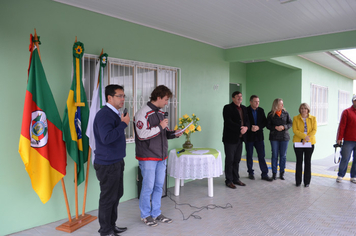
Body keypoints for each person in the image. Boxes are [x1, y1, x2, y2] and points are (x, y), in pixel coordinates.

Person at [134, 85, 183, 227]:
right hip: (148, 156)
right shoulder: (142, 113)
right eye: (166, 99)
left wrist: (174, 133)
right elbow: (142, 135)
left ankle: (156, 213)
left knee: (158, 186)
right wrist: (160, 127)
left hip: (161, 156)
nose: (167, 102)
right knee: (148, 187)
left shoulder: (160, 113)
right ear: (159, 97)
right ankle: (145, 215)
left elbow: (164, 133)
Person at [93, 84, 130, 236]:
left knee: (116, 195)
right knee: (108, 198)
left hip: (116, 161)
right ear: (110, 97)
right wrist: (123, 124)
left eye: (123, 96)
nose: (123, 99)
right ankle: (105, 230)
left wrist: (121, 123)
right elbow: (106, 138)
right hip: (107, 164)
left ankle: (111, 225)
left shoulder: (115, 114)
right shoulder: (104, 114)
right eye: (119, 96)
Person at [222, 91, 249, 189]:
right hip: (230, 138)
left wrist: (246, 128)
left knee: (237, 160)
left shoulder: (244, 108)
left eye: (241, 96)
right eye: (238, 96)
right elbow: (228, 122)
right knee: (230, 160)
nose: (240, 98)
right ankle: (229, 180)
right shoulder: (227, 108)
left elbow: (247, 121)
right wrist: (240, 128)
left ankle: (236, 179)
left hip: (240, 138)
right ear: (233, 98)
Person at [245, 95, 273, 181]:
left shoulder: (261, 110)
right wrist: (250, 128)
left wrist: (258, 127)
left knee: (261, 155)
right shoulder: (245, 110)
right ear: (250, 102)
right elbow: (245, 121)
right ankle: (250, 172)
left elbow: (264, 122)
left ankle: (264, 174)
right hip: (249, 136)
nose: (257, 103)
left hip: (259, 137)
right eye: (255, 101)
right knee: (249, 155)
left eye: (258, 101)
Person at [266, 98, 292, 180]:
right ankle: (274, 173)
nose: (282, 105)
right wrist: (275, 127)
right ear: (276, 105)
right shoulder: (270, 114)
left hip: (284, 137)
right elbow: (267, 125)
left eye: (282, 104)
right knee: (274, 155)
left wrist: (284, 127)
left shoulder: (286, 113)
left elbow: (290, 123)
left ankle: (282, 173)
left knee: (283, 156)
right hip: (274, 137)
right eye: (281, 104)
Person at [292, 103, 317, 187]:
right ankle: (298, 182)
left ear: (308, 110)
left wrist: (306, 138)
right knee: (299, 162)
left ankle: (307, 182)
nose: (303, 110)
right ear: (300, 109)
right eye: (302, 108)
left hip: (309, 143)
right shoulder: (296, 118)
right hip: (298, 143)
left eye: (305, 108)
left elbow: (314, 130)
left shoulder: (313, 118)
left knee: (307, 162)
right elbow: (295, 130)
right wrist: (304, 137)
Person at [336, 95, 356, 183]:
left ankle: (353, 176)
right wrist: (339, 138)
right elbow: (342, 126)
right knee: (345, 158)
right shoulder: (346, 112)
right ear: (353, 101)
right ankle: (340, 175)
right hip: (348, 140)